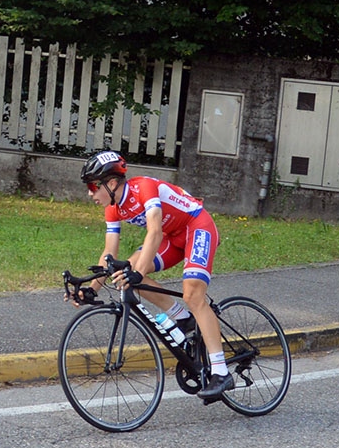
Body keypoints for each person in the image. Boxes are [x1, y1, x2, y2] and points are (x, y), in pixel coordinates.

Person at [69, 151, 233, 400]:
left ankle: (221, 372)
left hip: (197, 227)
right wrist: (93, 289)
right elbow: (109, 252)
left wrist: (139, 272)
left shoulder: (143, 188)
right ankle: (183, 318)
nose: (90, 193)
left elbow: (154, 232)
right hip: (173, 238)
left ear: (111, 183)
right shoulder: (113, 208)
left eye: (93, 186)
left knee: (193, 294)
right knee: (125, 272)